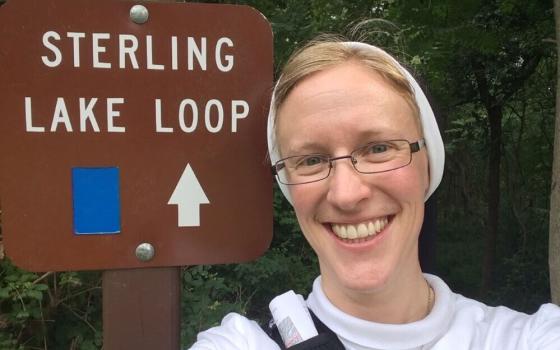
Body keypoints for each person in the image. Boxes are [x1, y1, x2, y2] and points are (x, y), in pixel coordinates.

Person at [188, 36, 560, 349]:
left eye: (379, 148)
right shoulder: (244, 343)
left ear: (427, 164)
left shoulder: (528, 338)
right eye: (312, 160)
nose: (347, 194)